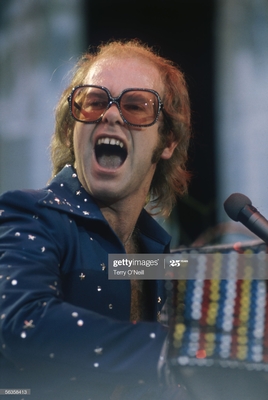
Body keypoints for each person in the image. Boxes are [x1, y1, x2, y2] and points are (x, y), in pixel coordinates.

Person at [0, 40, 191, 399]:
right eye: (94, 101)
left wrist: (252, 268)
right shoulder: (31, 216)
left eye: (136, 106)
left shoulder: (152, 255)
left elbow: (197, 269)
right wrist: (175, 352)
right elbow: (20, 323)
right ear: (71, 128)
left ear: (167, 142)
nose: (112, 115)